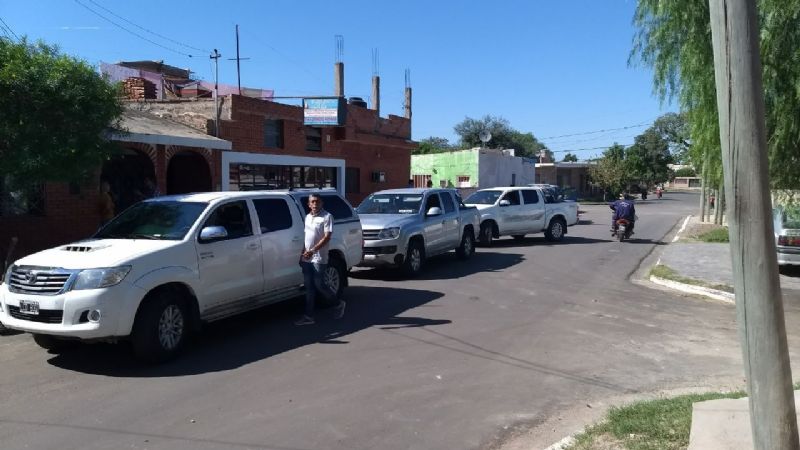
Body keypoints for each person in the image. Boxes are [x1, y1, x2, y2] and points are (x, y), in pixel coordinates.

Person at [295, 194, 346, 325]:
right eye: (312, 202)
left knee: (319, 284)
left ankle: (338, 303)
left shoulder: (327, 217)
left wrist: (312, 250)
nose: (315, 204)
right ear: (309, 204)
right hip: (306, 257)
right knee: (309, 287)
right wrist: (302, 254)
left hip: (318, 257)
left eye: (317, 201)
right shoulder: (307, 217)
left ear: (322, 203)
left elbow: (327, 237)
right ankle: (309, 316)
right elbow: (306, 237)